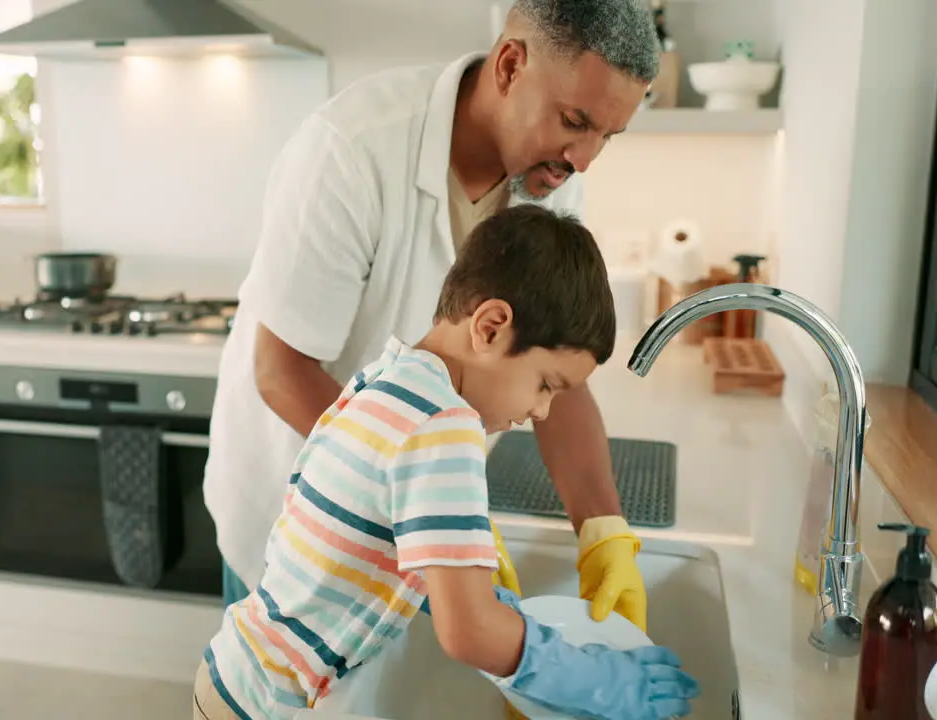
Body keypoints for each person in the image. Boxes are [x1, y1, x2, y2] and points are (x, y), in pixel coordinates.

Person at [203, 0, 660, 631]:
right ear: (509, 65)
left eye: (605, 136)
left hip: (416, 517)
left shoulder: (549, 174)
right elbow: (282, 373)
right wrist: (439, 511)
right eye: (574, 122)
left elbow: (557, 357)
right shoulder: (352, 150)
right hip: (300, 523)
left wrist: (602, 526)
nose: (583, 159)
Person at [193, 206, 699, 720]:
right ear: (491, 327)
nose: (540, 412)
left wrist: (480, 593)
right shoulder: (446, 424)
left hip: (237, 676)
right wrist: (598, 679)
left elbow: (371, 536)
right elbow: (470, 633)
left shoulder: (391, 377)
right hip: (271, 707)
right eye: (545, 384)